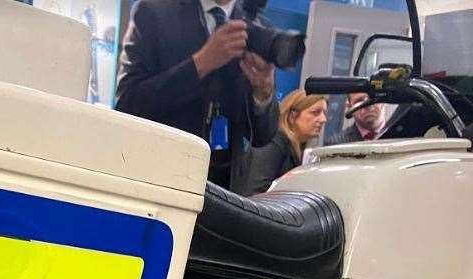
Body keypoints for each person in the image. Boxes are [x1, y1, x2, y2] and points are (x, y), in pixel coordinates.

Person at [114, 0, 279, 192]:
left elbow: (264, 136)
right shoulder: (153, 12)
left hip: (226, 194)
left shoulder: (258, 28)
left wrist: (264, 91)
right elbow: (127, 104)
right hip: (158, 183)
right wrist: (200, 63)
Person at [241, 89, 327, 195]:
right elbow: (255, 191)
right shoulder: (274, 143)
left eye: (324, 113)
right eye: (315, 112)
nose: (323, 119)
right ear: (292, 116)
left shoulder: (299, 149)